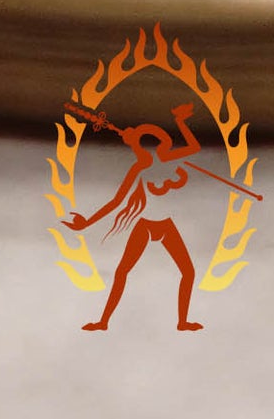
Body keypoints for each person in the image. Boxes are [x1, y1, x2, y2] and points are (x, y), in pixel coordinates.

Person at [63, 109, 213, 333]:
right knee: (122, 272)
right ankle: (103, 321)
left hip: (165, 225)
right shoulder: (141, 168)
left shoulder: (163, 161)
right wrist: (87, 223)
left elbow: (194, 147)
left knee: (187, 272)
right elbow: (116, 202)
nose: (134, 149)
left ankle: (182, 322)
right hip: (145, 225)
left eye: (136, 145)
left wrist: (181, 121)